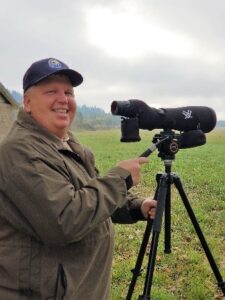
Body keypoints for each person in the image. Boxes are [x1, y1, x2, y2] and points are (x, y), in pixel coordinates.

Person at [0, 58, 156, 300]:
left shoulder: (65, 143)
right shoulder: (20, 150)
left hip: (77, 286)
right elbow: (65, 219)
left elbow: (89, 194)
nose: (63, 99)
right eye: (51, 91)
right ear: (27, 103)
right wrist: (119, 179)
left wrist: (136, 208)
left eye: (69, 92)